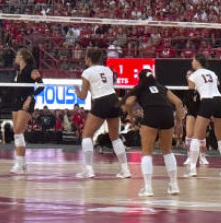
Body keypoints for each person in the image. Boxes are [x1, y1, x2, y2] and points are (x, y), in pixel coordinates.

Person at [123, 69, 184, 197]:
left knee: (146, 151)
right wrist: (179, 123)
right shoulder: (161, 87)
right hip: (167, 113)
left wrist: (131, 116)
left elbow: (128, 103)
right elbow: (178, 103)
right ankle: (174, 185)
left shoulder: (139, 89)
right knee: (167, 150)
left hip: (151, 114)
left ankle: (148, 188)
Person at [75, 47, 130, 179]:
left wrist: (76, 90)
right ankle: (125, 169)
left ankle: (88, 169)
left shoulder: (87, 72)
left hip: (101, 101)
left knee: (87, 135)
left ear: (88, 59)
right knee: (115, 137)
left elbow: (82, 96)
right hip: (114, 100)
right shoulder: (108, 69)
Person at [0, 47, 42, 174]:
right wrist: (0, 100)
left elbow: (41, 85)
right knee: (17, 133)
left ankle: (19, 163)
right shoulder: (18, 72)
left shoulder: (32, 70)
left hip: (26, 102)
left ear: (22, 58)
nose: (16, 58)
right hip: (16, 102)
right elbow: (12, 89)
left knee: (18, 131)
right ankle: (23, 164)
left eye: (18, 56)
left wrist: (30, 98)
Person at [186, 55, 221, 177]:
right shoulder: (213, 73)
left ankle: (192, 169)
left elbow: (191, 97)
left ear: (197, 62)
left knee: (196, 137)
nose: (192, 62)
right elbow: (220, 90)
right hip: (219, 101)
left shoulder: (193, 75)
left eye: (193, 60)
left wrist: (195, 111)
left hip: (206, 101)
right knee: (220, 137)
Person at [181, 79, 209, 168]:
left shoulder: (202, 89)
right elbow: (185, 102)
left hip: (201, 112)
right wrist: (184, 109)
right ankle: (189, 156)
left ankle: (202, 156)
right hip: (191, 113)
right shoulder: (188, 90)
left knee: (201, 135)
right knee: (189, 134)